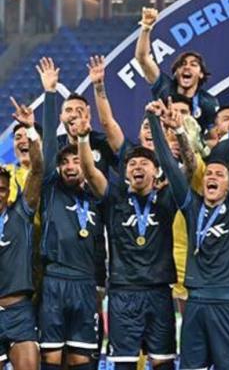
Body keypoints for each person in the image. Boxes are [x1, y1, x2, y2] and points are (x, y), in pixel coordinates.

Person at [149, 92, 229, 369]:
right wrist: (154, 122)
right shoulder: (191, 205)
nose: (212, 176)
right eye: (209, 173)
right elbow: (167, 164)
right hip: (196, 304)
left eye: (219, 174)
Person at [77, 109, 179, 369]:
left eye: (144, 163)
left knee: (163, 364)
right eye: (132, 164)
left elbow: (179, 168)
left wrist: (162, 127)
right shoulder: (114, 199)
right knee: (123, 364)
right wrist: (82, 139)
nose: (137, 167)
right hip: (123, 293)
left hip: (159, 292)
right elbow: (89, 173)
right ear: (125, 173)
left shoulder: (167, 200)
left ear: (156, 172)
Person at [37, 58, 106, 369]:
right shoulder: (51, 188)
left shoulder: (97, 193)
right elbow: (50, 146)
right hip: (54, 280)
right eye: (64, 163)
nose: (69, 166)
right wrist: (50, 94)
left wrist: (82, 142)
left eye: (75, 162)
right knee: (51, 357)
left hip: (85, 282)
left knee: (81, 358)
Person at [0, 98, 43, 370]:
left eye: (2, 189)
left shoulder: (20, 213)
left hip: (19, 311)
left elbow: (38, 170)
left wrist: (32, 132)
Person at [136, 7, 219, 132]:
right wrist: (146, 28)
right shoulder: (164, 87)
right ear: (176, 73)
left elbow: (213, 137)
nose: (187, 67)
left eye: (193, 64)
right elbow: (143, 58)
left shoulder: (208, 103)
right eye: (182, 64)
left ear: (201, 74)